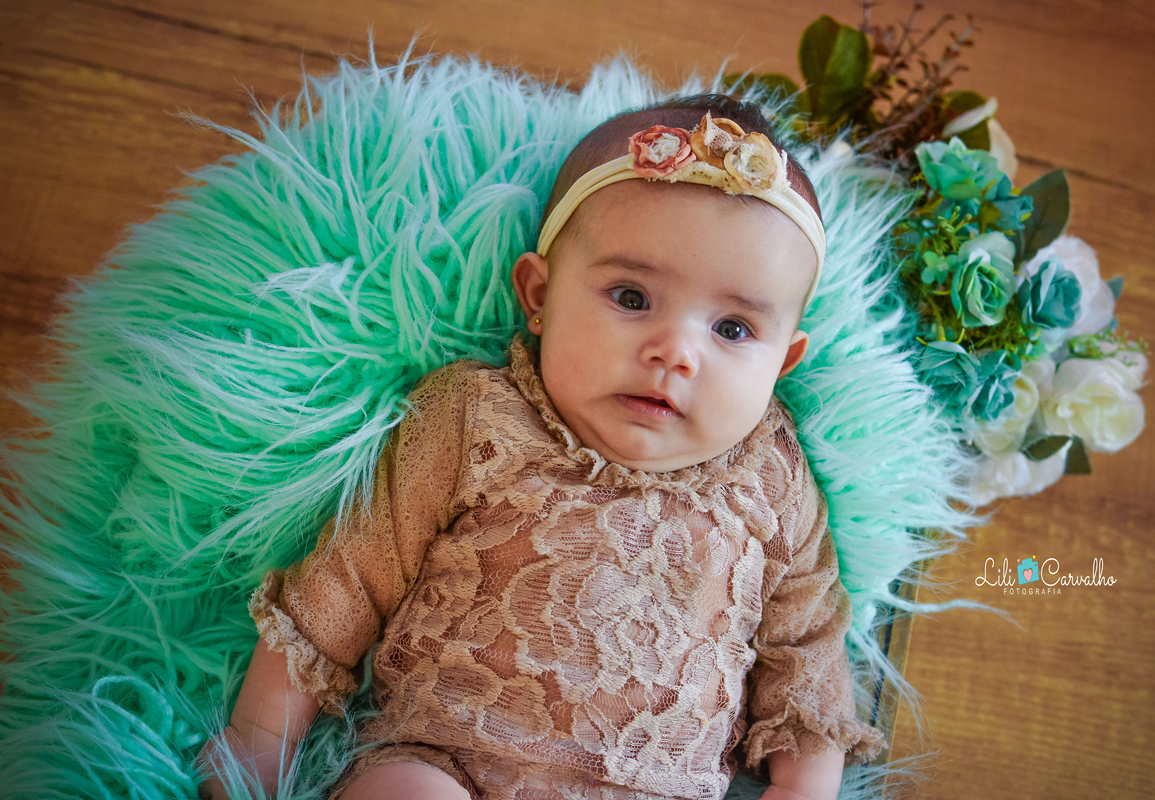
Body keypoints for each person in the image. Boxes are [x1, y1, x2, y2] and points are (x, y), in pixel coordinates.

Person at [199, 93, 886, 800]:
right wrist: (259, 741)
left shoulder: (774, 479)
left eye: (733, 329)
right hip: (449, 763)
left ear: (783, 364)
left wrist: (803, 788)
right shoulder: (476, 416)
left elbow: (809, 649)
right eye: (631, 296)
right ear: (539, 293)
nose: (676, 352)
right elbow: (349, 577)